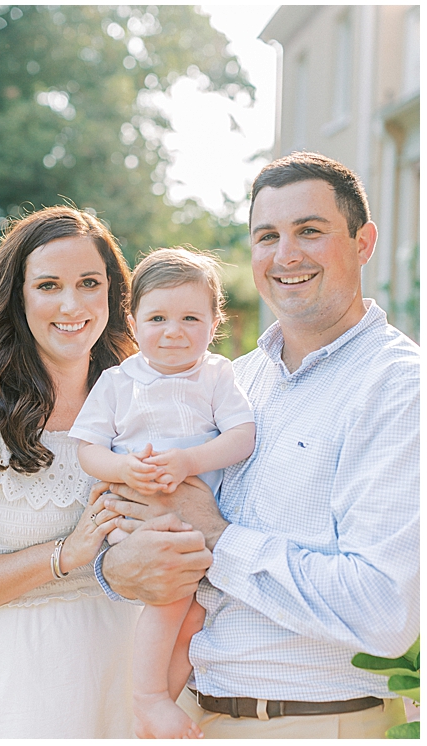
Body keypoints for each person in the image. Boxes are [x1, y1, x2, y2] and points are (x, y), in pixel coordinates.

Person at [93, 152, 419, 738]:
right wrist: (117, 561)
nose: (286, 255)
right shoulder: (230, 380)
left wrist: (217, 535)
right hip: (196, 712)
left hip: (314, 724)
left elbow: (384, 611)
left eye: (310, 231)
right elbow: (136, 528)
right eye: (267, 236)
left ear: (363, 242)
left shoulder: (399, 389)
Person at [0, 205, 140, 738]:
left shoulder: (145, 403)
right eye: (48, 285)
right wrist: (63, 557)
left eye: (89, 283)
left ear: (113, 295)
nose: (71, 305)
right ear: (17, 296)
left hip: (140, 671)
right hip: (29, 683)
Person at [71, 247, 255, 738]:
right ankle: (148, 698)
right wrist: (127, 470)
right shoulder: (117, 380)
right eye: (158, 317)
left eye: (190, 317)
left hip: (198, 515)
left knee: (197, 611)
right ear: (132, 320)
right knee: (174, 598)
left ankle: (159, 705)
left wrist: (191, 461)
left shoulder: (216, 374)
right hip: (141, 515)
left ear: (214, 322)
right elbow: (88, 449)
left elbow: (243, 437)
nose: (174, 331)